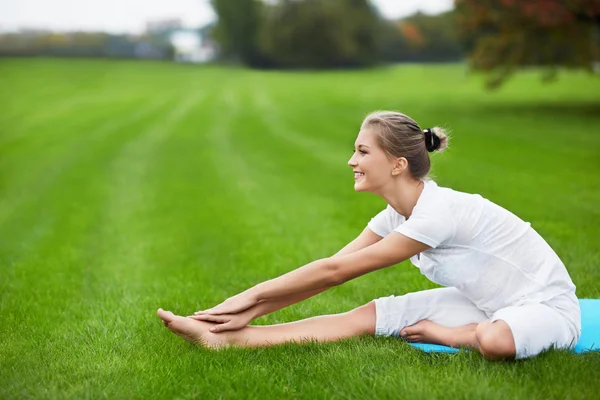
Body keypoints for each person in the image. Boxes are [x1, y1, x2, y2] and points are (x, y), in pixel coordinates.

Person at [157, 111, 581, 360]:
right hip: (486, 302)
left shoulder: (437, 214)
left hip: (544, 307)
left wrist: (244, 301)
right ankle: (221, 341)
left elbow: (335, 271)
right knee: (364, 317)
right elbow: (327, 272)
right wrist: (239, 312)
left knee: (494, 341)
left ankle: (454, 334)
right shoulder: (396, 214)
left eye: (362, 152)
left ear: (397, 164)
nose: (350, 161)